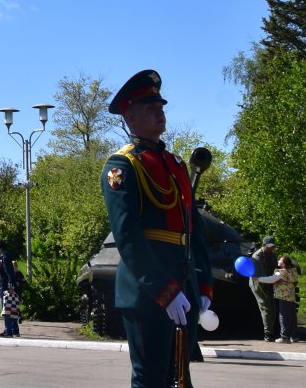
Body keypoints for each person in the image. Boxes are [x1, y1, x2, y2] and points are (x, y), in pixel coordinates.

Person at [100, 69, 213, 388]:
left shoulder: (176, 164)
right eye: (150, 107)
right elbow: (128, 236)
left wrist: (203, 285)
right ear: (130, 117)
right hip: (148, 293)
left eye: (160, 106)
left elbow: (194, 231)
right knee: (151, 380)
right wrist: (165, 290)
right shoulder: (122, 166)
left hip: (185, 286)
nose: (160, 112)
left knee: (180, 378)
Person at [250, 236, 280, 341]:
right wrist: (273, 279)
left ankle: (273, 329)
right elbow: (259, 277)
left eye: (273, 247)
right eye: (269, 247)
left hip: (270, 281)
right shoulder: (256, 257)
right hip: (258, 283)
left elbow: (275, 268)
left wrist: (278, 275)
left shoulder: (273, 255)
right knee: (266, 307)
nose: (272, 249)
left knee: (273, 307)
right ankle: (268, 333)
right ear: (264, 245)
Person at [273, 255, 300, 343]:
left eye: (280, 260)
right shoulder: (293, 271)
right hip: (291, 295)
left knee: (283, 316)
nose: (278, 261)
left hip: (283, 296)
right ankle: (294, 336)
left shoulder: (281, 272)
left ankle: (284, 337)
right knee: (292, 316)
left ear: (283, 264)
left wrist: (259, 279)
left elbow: (271, 279)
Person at [0, 261, 24, 338]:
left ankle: (10, 331)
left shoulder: (17, 274)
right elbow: (2, 283)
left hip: (14, 296)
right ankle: (12, 330)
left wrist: (16, 288)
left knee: (12, 313)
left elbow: (22, 284)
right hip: (8, 295)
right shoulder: (6, 273)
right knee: (9, 313)